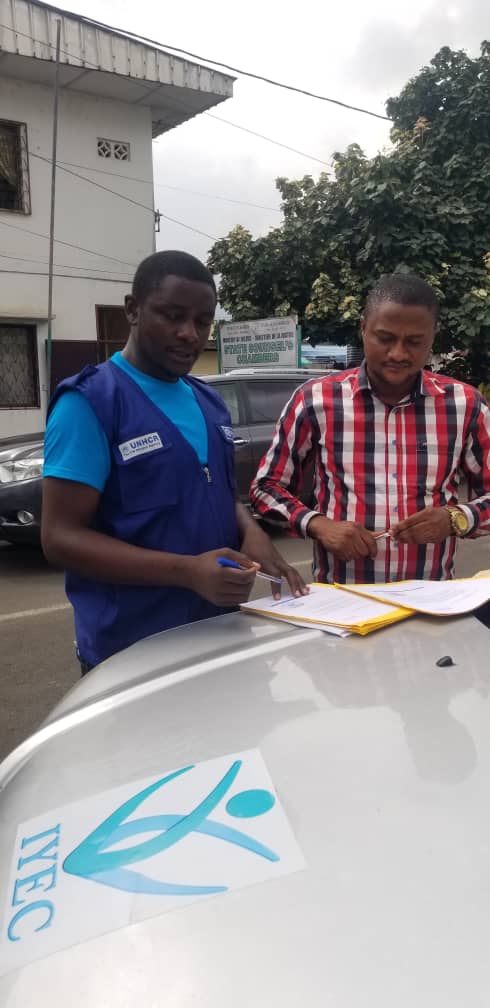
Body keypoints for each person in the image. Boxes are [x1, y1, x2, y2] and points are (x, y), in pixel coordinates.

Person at [42, 250, 306, 672]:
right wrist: (187, 572)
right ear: (133, 309)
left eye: (202, 321)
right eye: (171, 315)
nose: (189, 333)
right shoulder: (91, 403)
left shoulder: (208, 403)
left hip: (219, 637)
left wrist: (250, 530)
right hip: (131, 651)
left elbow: (212, 489)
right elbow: (59, 537)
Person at [250, 273, 490, 598]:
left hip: (432, 603)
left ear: (433, 336)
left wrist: (456, 518)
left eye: (414, 341)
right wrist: (319, 525)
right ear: (363, 328)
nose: (397, 353)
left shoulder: (466, 406)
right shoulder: (315, 401)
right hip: (340, 603)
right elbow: (266, 489)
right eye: (385, 338)